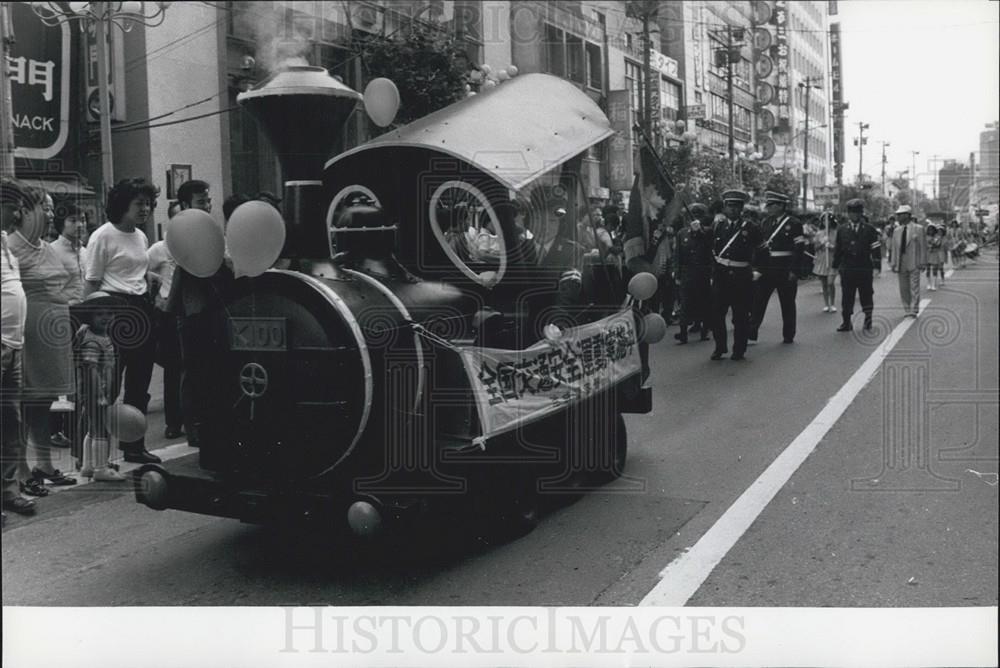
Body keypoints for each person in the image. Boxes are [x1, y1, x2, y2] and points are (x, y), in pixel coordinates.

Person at [6, 182, 78, 492]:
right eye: (43, 207)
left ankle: (45, 463)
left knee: (43, 402)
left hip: (53, 334)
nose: (49, 213)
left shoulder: (46, 247)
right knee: (22, 403)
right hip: (26, 334)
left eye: (50, 207)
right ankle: (22, 471)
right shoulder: (9, 246)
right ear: (23, 212)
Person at [84, 177, 160, 464]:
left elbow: (136, 274)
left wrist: (149, 282)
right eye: (139, 204)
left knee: (139, 382)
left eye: (149, 204)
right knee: (107, 385)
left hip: (141, 309)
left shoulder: (141, 236)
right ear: (122, 205)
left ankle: (134, 446)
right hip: (112, 310)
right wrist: (88, 326)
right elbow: (91, 283)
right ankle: (93, 454)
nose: (146, 209)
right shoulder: (102, 236)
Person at [166, 179, 234, 453]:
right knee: (193, 371)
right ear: (184, 205)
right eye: (200, 202)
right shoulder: (182, 233)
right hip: (193, 311)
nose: (207, 206)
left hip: (216, 309)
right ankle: (194, 429)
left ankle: (212, 422)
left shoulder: (213, 231)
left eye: (208, 201)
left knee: (215, 370)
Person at [1, 179, 36, 516]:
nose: (18, 214)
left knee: (11, 423)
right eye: (14, 207)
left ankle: (8, 491)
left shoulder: (4, 242)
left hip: (14, 347)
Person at [47, 202, 89, 452]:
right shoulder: (52, 251)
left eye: (82, 219)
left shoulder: (84, 250)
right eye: (74, 220)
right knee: (63, 375)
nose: (80, 224)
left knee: (81, 373)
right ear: (61, 224)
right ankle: (55, 428)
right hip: (63, 314)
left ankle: (73, 427)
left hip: (84, 313)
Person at [75, 292, 127, 481]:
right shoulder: (92, 340)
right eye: (99, 314)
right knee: (100, 429)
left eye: (109, 313)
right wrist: (98, 394)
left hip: (95, 391)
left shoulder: (98, 335)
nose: (106, 317)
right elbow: (91, 370)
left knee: (92, 428)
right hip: (94, 391)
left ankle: (88, 466)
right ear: (89, 316)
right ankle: (101, 469)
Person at [709, 190, 761, 361]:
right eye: (729, 206)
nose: (732, 210)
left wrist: (757, 270)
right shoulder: (717, 227)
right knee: (716, 314)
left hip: (742, 276)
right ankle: (720, 347)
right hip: (721, 276)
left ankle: (739, 349)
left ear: (741, 208)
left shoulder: (750, 228)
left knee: (740, 315)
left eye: (736, 206)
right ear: (724, 207)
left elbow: (762, 251)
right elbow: (711, 251)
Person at [147, 199, 183, 440]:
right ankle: (173, 422)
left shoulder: (194, 243)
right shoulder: (158, 249)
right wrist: (156, 299)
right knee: (173, 369)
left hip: (190, 311)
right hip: (168, 313)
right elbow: (143, 272)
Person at [750, 191, 805, 344]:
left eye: (772, 205)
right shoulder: (766, 222)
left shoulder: (794, 223)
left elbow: (799, 248)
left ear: (781, 205)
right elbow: (760, 247)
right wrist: (757, 268)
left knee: (787, 303)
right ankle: (752, 333)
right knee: (758, 301)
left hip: (785, 267)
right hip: (767, 267)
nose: (769, 208)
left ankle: (788, 334)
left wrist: (795, 270)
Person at [833, 198, 881, 331]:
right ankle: (846, 321)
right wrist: (834, 267)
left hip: (864, 267)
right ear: (848, 214)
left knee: (866, 294)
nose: (854, 215)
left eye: (857, 212)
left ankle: (868, 319)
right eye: (851, 212)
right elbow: (838, 249)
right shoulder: (842, 229)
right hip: (847, 268)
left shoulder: (869, 229)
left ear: (861, 213)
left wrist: (877, 266)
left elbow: (875, 248)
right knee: (847, 296)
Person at [673, 203, 713, 344]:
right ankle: (683, 333)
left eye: (698, 215)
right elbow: (678, 255)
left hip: (703, 272)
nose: (695, 218)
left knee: (704, 302)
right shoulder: (682, 233)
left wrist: (699, 231)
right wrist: (677, 273)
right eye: (693, 215)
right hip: (687, 272)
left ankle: (704, 331)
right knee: (685, 303)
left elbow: (709, 249)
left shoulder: (707, 231)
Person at [888, 204, 926, 318]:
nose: (898, 217)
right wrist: (893, 263)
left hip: (914, 261)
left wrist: (923, 262)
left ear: (907, 215)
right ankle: (907, 308)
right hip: (901, 261)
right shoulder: (896, 231)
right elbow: (894, 248)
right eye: (897, 215)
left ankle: (914, 309)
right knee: (903, 287)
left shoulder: (918, 229)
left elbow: (923, 247)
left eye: (900, 215)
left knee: (914, 286)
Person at [811, 211, 839, 313]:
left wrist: (831, 246)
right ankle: (826, 304)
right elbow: (815, 248)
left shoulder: (836, 233)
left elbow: (839, 247)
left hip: (832, 259)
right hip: (822, 259)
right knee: (824, 283)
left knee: (830, 283)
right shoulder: (819, 233)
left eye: (828, 220)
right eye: (824, 220)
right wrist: (822, 243)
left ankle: (833, 304)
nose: (826, 222)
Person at [925, 223, 946, 291]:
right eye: (929, 229)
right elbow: (924, 245)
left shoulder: (937, 237)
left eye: (932, 229)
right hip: (928, 254)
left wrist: (933, 244)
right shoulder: (925, 237)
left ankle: (933, 284)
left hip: (935, 253)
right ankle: (928, 284)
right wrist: (929, 245)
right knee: (928, 269)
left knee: (935, 269)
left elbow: (938, 244)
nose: (930, 231)